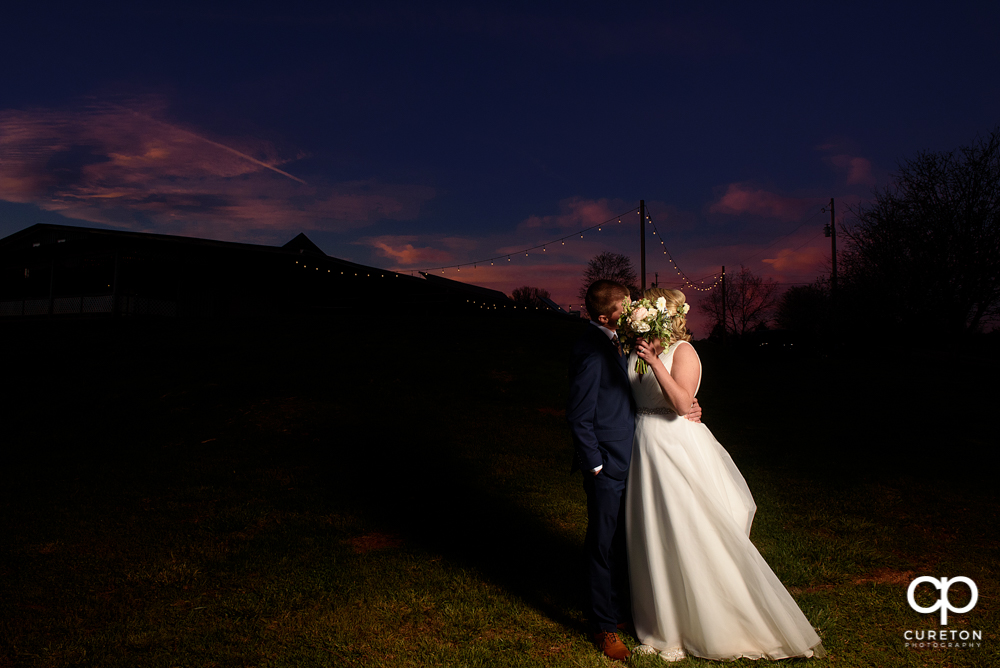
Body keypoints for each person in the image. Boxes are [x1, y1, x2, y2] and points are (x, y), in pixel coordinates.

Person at [626, 288, 825, 662]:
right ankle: (658, 628)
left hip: (675, 446)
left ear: (663, 316)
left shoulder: (682, 352)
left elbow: (684, 403)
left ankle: (698, 625)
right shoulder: (635, 350)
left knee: (684, 532)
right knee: (650, 533)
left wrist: (655, 363)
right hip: (644, 447)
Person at [566, 280, 701, 662]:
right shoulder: (591, 349)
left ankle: (616, 610)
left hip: (636, 456)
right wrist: (594, 463)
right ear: (607, 315)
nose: (633, 310)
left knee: (623, 540)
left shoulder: (617, 343)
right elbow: (578, 415)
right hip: (606, 463)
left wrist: (689, 403)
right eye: (626, 306)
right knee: (602, 543)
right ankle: (603, 626)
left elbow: (640, 390)